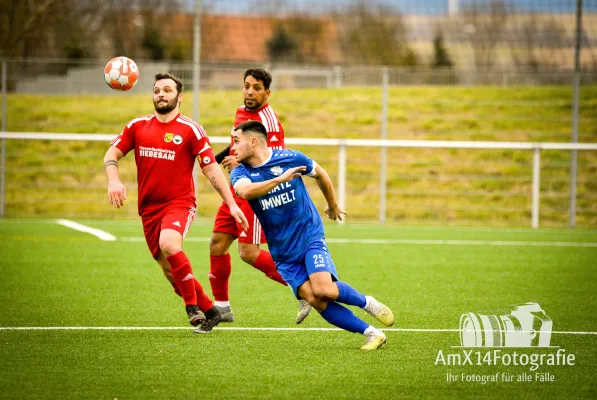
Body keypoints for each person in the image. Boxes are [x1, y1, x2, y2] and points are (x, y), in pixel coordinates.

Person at [229, 120, 395, 350]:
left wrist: (332, 204)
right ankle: (372, 334)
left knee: (324, 289)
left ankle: (368, 303)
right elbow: (246, 191)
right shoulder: (240, 172)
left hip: (308, 235)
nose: (232, 147)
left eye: (236, 141)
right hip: (282, 251)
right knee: (315, 299)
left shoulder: (291, 158)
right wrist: (279, 179)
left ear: (253, 141)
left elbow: (321, 174)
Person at [103, 72, 248, 334]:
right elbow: (111, 153)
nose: (161, 95)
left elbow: (212, 170)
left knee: (169, 244)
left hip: (179, 202)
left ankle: (192, 307)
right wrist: (113, 180)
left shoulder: (190, 129)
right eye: (157, 90)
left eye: (167, 90)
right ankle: (211, 312)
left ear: (179, 97)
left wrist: (233, 203)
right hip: (148, 209)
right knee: (170, 271)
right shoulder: (137, 126)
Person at [209, 68, 312, 323]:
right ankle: (221, 308)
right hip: (236, 189)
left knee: (248, 252)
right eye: (246, 86)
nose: (250, 92)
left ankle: (304, 289)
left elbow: (272, 162)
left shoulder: (270, 122)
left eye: (256, 88)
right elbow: (236, 146)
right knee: (217, 245)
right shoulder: (241, 112)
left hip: (253, 193)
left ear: (267, 92)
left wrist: (239, 164)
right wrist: (214, 159)